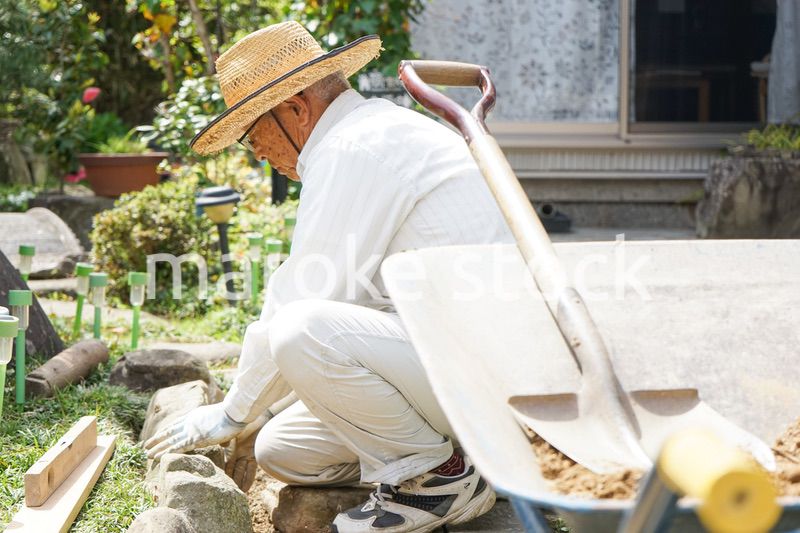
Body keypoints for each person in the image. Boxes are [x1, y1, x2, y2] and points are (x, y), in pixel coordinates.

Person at [144, 21, 511, 532]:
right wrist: (251, 415)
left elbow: (304, 299)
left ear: (295, 108)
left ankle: (440, 481)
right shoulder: (363, 135)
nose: (260, 155)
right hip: (450, 362)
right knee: (284, 451)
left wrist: (232, 412)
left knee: (300, 330)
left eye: (254, 137)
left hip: (482, 371)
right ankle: (454, 462)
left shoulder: (356, 147)